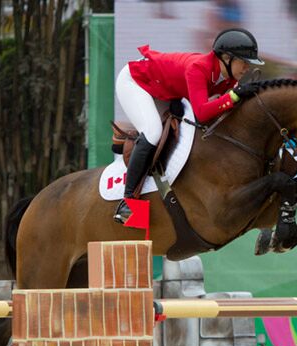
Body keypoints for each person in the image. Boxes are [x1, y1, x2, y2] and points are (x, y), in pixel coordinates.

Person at [112, 28, 265, 225]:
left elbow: (226, 109)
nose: (247, 68)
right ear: (226, 57)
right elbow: (202, 113)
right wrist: (235, 96)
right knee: (153, 132)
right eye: (244, 62)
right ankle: (128, 204)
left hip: (164, 88)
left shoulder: (229, 77)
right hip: (135, 81)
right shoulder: (198, 68)